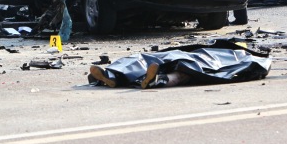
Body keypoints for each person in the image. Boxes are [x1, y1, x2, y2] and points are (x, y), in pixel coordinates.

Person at [88, 40, 271, 89]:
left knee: (143, 58)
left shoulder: (241, 55)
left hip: (189, 57)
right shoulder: (244, 57)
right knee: (184, 73)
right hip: (194, 59)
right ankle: (156, 80)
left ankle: (112, 76)